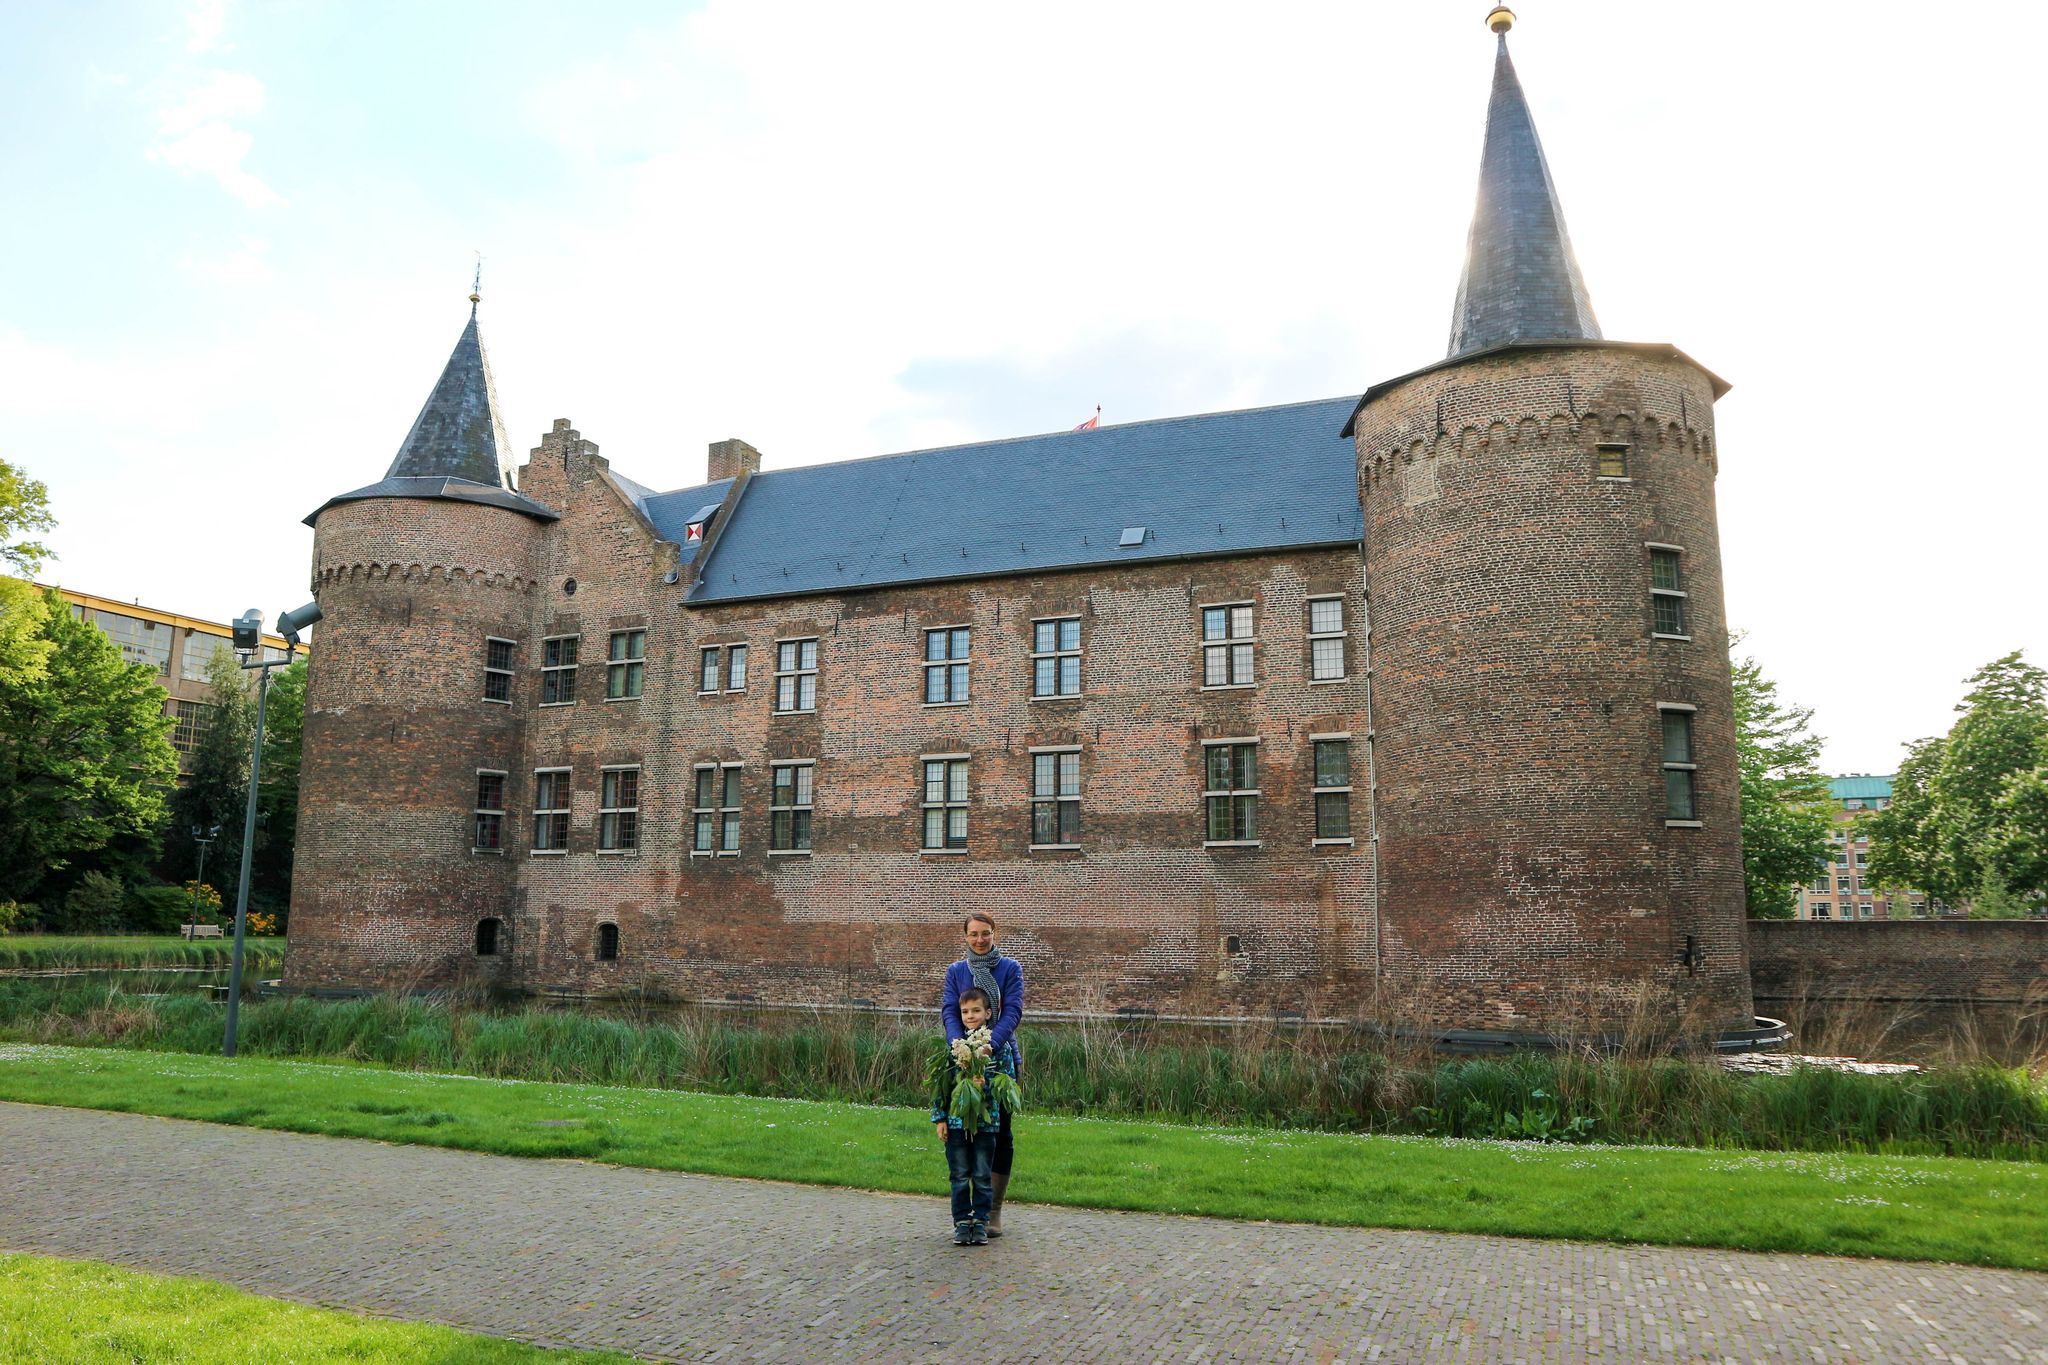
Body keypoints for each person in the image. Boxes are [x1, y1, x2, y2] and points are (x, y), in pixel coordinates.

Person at [941, 911, 1023, 1235]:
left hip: (1000, 1057)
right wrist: (957, 1045)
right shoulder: (956, 971)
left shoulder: (1009, 969)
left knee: (1000, 1133)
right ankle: (967, 1214)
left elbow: (1013, 1010)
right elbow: (949, 1009)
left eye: (985, 933)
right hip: (962, 1058)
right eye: (973, 934)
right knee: (965, 1134)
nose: (979, 939)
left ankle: (994, 1211)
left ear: (994, 933)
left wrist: (991, 1044)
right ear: (965, 936)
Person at [932, 986, 1017, 1245]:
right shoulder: (955, 1046)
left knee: (981, 1175)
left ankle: (980, 1222)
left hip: (986, 1123)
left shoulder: (996, 1048)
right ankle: (961, 1223)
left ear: (988, 1013)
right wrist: (940, 1118)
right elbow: (941, 1087)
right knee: (959, 1175)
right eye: (965, 1011)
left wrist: (985, 1084)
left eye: (976, 1010)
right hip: (957, 1123)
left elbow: (1008, 1080)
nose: (970, 1016)